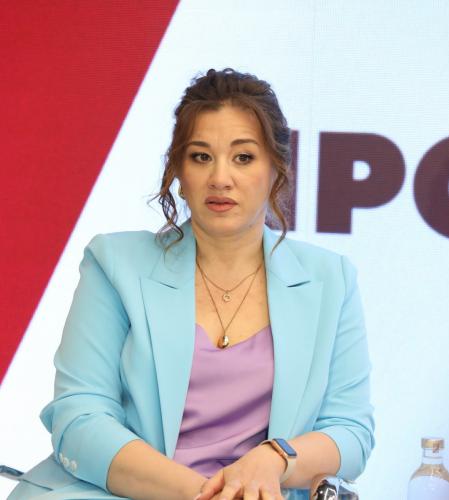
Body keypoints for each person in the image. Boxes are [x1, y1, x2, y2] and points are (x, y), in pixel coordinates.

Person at [8, 68, 374, 500]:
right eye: (201, 157)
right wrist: (204, 494)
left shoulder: (330, 278)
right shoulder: (114, 263)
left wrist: (275, 458)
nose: (220, 178)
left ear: (277, 169)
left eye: (243, 157)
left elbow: (351, 432)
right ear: (179, 171)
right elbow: (79, 419)